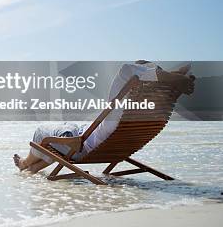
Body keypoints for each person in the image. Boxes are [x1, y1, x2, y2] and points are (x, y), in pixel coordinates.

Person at [13, 61, 195, 174]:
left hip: (80, 144)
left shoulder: (118, 115)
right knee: (66, 130)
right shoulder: (146, 111)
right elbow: (141, 72)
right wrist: (174, 81)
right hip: (103, 141)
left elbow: (129, 70)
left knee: (41, 134)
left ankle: (25, 163)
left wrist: (171, 78)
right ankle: (34, 168)